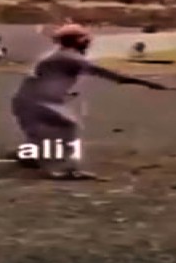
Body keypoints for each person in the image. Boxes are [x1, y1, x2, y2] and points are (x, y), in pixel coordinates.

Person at [9, 23, 166, 180]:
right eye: (85, 38)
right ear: (78, 41)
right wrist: (148, 83)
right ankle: (64, 169)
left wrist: (64, 93)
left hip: (27, 100)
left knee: (39, 130)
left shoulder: (58, 56)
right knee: (67, 127)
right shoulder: (71, 58)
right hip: (39, 102)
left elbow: (48, 79)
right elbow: (113, 76)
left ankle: (30, 156)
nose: (89, 41)